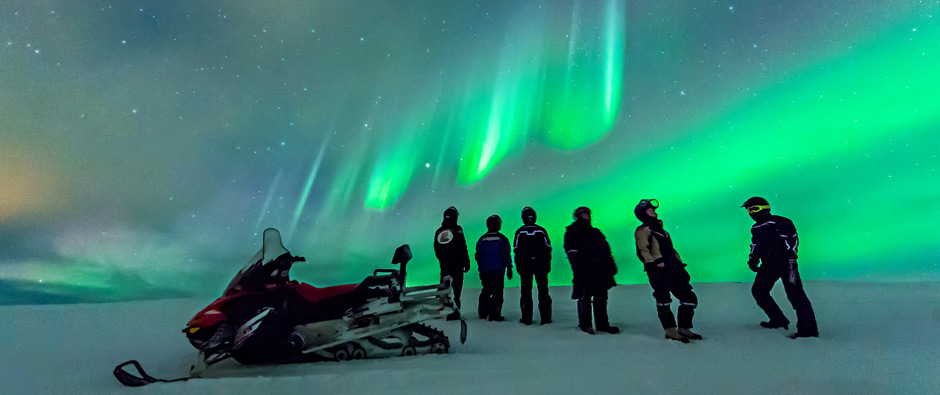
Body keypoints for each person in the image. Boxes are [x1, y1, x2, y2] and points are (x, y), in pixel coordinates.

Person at [742, 197, 819, 339]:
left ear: (765, 208)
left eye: (754, 209)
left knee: (795, 293)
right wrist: (753, 260)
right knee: (759, 291)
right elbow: (755, 245)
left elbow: (792, 239)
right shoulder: (756, 228)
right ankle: (778, 319)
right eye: (748, 210)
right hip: (768, 264)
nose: (751, 213)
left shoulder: (780, 222)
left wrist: (790, 257)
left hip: (786, 263)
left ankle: (808, 330)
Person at [634, 199, 701, 343]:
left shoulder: (662, 231)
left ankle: (684, 328)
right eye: (649, 210)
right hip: (658, 271)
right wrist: (652, 264)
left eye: (653, 210)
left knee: (689, 298)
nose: (653, 212)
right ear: (642, 214)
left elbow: (671, 250)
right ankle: (670, 330)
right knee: (663, 300)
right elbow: (642, 249)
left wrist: (680, 265)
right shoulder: (643, 230)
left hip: (673, 269)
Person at [564, 206, 619, 334]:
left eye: (587, 214)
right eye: (583, 214)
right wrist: (576, 268)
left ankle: (603, 324)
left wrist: (611, 264)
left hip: (600, 269)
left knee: (601, 297)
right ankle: (585, 324)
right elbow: (571, 250)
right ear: (577, 217)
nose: (586, 217)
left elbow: (606, 249)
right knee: (585, 297)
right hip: (584, 269)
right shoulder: (572, 232)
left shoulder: (596, 232)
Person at [513, 206, 553, 325]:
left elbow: (516, 250)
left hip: (526, 266)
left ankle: (527, 318)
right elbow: (548, 249)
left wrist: (518, 265)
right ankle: (545, 318)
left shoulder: (520, 231)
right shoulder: (541, 230)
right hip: (540, 266)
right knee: (543, 291)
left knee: (526, 291)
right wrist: (547, 264)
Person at [434, 206, 471, 320]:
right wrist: (466, 261)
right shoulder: (457, 229)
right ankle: (454, 311)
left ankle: (438, 310)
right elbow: (463, 246)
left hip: (445, 265)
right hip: (457, 265)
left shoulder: (439, 231)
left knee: (443, 287)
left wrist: (442, 260)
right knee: (456, 289)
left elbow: (436, 249)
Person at [475, 215, 513, 321]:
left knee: (486, 290)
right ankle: (495, 314)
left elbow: (478, 255)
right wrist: (509, 267)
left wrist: (481, 266)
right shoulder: (502, 239)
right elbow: (506, 254)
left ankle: (483, 313)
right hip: (498, 270)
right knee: (497, 292)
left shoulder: (482, 239)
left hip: (484, 270)